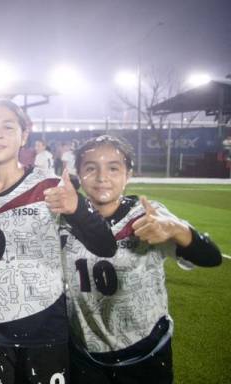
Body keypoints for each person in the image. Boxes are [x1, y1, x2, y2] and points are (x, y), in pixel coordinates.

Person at [0, 99, 116, 384]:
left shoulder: (50, 186)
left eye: (7, 127)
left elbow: (105, 245)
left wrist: (77, 210)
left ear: (24, 136)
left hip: (45, 327)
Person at [65, 135, 222, 383]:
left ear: (128, 174)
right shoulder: (66, 219)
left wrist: (177, 229)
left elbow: (211, 257)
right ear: (79, 174)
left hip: (146, 351)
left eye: (113, 168)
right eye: (91, 168)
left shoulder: (149, 215)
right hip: (85, 353)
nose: (102, 177)